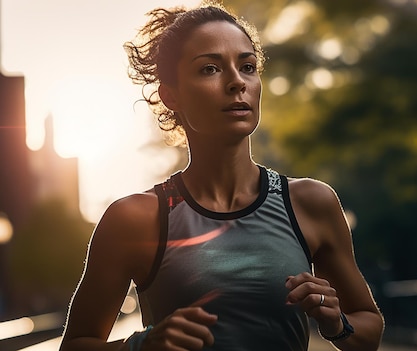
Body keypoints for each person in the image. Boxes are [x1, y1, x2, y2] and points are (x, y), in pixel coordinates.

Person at [59, 1, 384, 350]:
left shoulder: (311, 202)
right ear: (170, 95)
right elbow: (76, 344)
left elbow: (369, 330)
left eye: (247, 67)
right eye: (210, 69)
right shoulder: (134, 220)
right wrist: (141, 346)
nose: (236, 83)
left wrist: (337, 324)